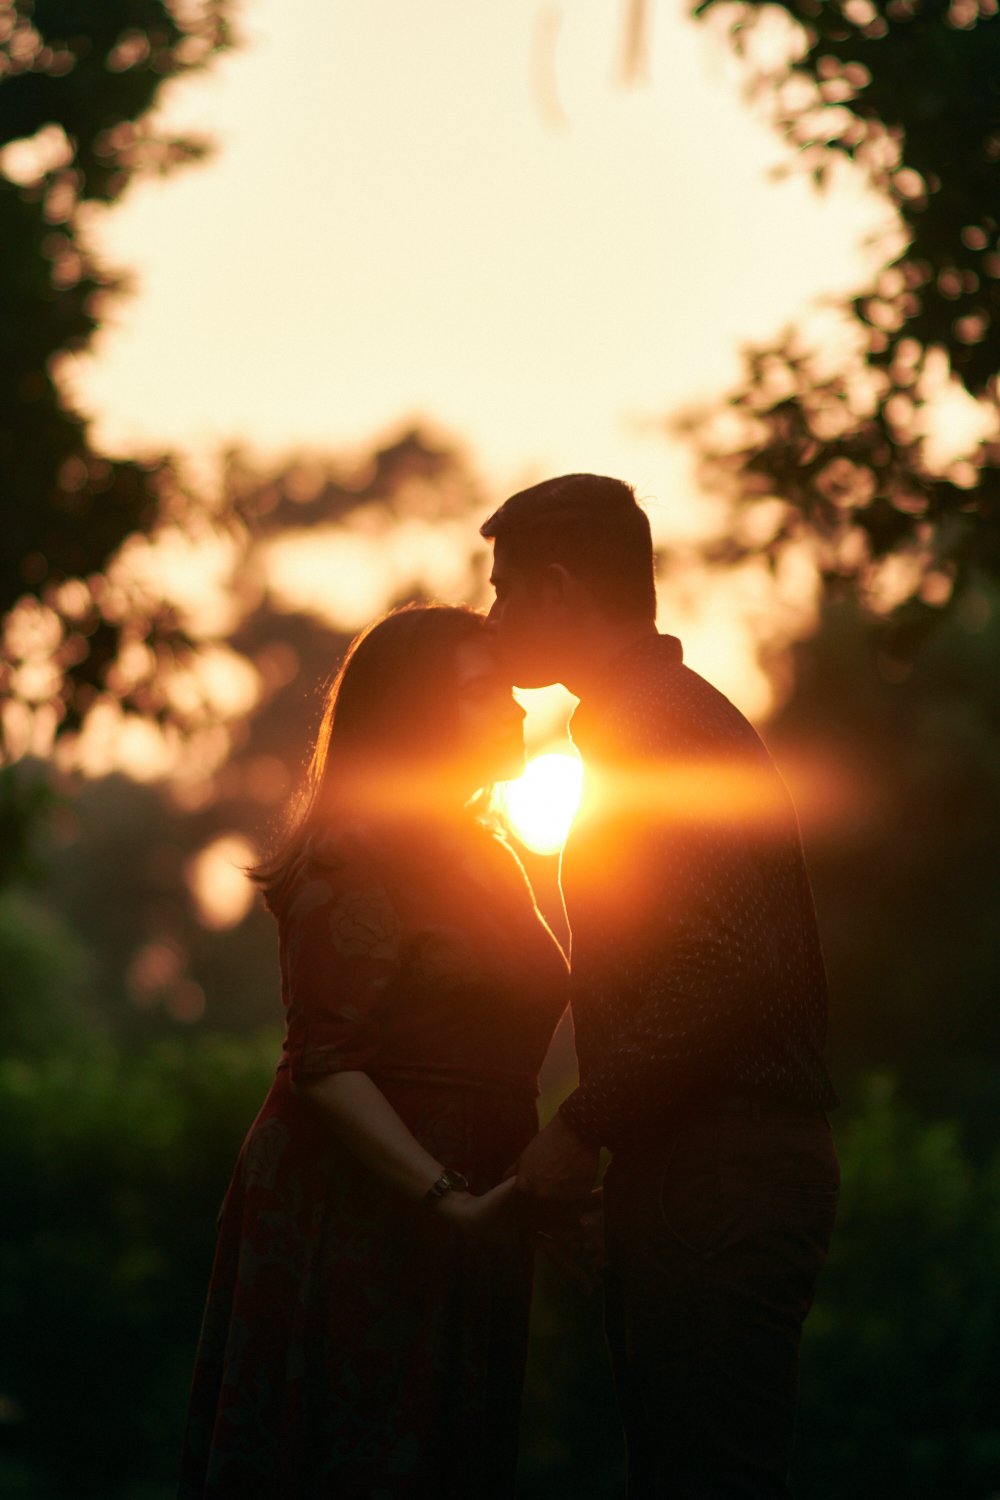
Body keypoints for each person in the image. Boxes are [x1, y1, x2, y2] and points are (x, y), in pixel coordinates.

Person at [481, 474, 840, 1499]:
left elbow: (724, 964)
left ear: (557, 592)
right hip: (698, 1168)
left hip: (720, 1168)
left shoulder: (658, 731)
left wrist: (582, 1123)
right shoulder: (648, 724)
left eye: (506, 592)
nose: (496, 617)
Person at [177, 604, 568, 1500]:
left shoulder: (493, 851)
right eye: (481, 692)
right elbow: (326, 1064)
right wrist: (445, 1198)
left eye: (507, 689)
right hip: (362, 1200)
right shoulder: (350, 859)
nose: (513, 709)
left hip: (479, 1191)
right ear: (418, 716)